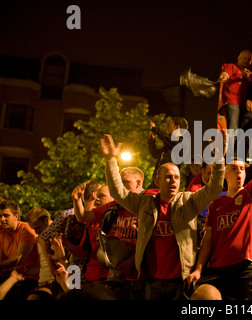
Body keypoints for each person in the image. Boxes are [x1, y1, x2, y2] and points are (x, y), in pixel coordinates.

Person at [100, 131, 225, 300]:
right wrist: (110, 160)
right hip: (152, 281)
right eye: (168, 177)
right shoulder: (145, 204)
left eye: (176, 177)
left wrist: (219, 158)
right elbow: (118, 192)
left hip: (181, 281)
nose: (173, 181)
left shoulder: (189, 201)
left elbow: (215, 188)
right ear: (157, 181)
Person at [187, 112, 252, 300]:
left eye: (242, 169)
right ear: (224, 174)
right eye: (233, 168)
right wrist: (198, 268)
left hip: (244, 268)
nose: (239, 171)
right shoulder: (216, 204)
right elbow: (208, 239)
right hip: (216, 267)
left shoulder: (251, 193)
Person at [73, 167, 146, 299]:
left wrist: (131, 261)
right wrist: (76, 199)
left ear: (138, 183)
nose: (120, 187)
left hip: (140, 277)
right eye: (119, 183)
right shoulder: (113, 206)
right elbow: (83, 217)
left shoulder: (146, 204)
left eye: (125, 182)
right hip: (115, 276)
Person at [0, 200, 40, 300]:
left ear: (16, 216)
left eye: (6, 215)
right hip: (14, 276)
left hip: (32, 278)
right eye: (0, 216)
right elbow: (2, 261)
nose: (2, 219)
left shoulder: (26, 229)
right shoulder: (2, 233)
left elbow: (18, 259)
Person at [147, 116, 189, 189]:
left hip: (167, 183)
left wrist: (155, 129)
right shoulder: (168, 146)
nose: (167, 128)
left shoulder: (181, 142)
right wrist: (151, 141)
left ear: (177, 127)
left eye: (169, 125)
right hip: (158, 182)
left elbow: (167, 138)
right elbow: (155, 154)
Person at [218, 49, 252, 130]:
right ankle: (231, 143)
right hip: (232, 102)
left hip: (243, 106)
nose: (246, 61)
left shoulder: (248, 73)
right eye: (244, 58)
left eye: (249, 59)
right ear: (239, 58)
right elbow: (226, 74)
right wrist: (224, 76)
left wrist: (248, 77)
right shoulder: (232, 67)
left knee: (239, 131)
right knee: (233, 130)